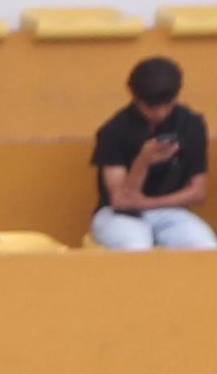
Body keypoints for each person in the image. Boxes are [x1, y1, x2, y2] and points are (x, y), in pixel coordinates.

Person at [89, 57, 214, 252]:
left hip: (170, 211)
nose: (161, 113)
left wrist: (147, 203)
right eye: (152, 106)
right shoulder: (115, 130)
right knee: (135, 246)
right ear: (136, 98)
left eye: (167, 104)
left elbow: (198, 192)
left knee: (206, 247)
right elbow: (121, 201)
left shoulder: (191, 124)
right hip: (116, 214)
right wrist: (142, 162)